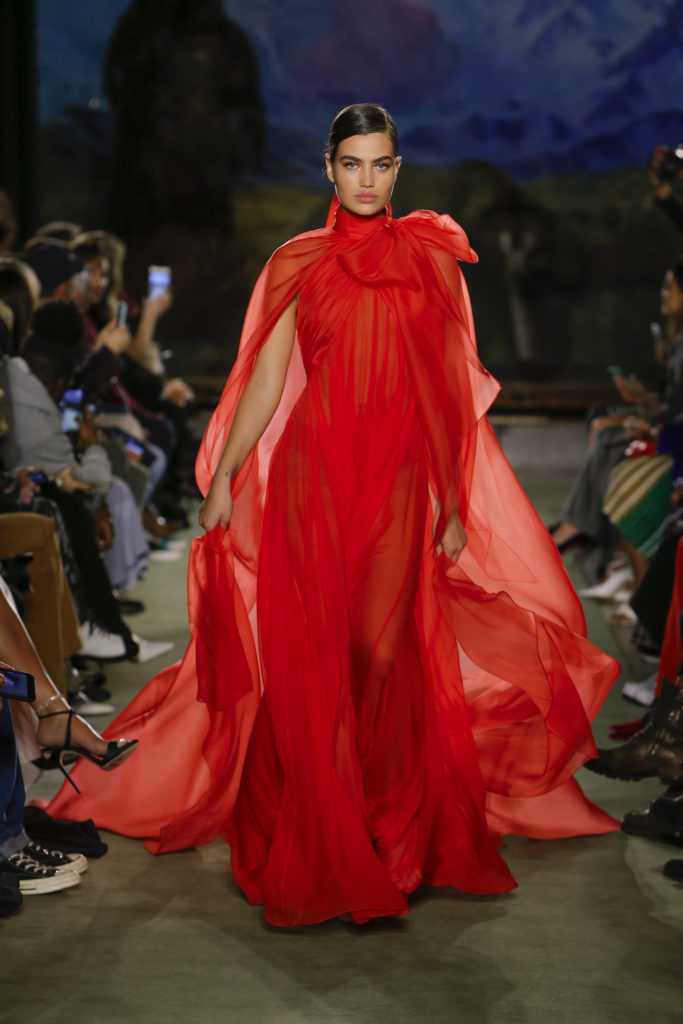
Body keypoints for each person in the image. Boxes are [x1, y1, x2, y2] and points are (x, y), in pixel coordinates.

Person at [47, 104, 619, 926]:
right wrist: (227, 476)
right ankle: (326, 831)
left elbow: (448, 392)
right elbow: (268, 382)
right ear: (327, 167)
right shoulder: (298, 262)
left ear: (396, 169)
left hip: (395, 481)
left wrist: (452, 502)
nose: (365, 179)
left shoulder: (432, 259)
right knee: (314, 659)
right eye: (350, 163)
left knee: (380, 653)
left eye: (380, 165)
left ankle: (388, 826)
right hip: (312, 481)